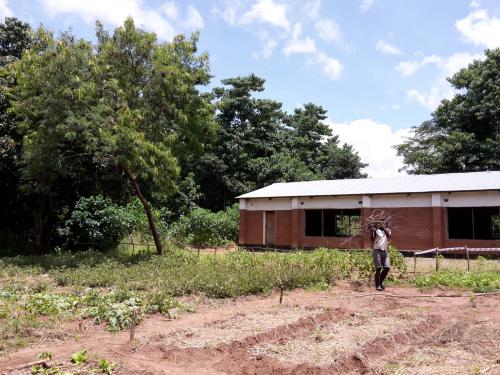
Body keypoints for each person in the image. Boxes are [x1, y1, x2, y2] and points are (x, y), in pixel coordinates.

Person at [372, 224, 391, 291]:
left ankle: (380, 282)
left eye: (385, 224)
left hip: (384, 251)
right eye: (381, 224)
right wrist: (373, 231)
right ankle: (378, 286)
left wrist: (385, 229)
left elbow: (389, 236)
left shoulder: (388, 230)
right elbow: (372, 239)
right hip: (377, 251)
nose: (383, 225)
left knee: (387, 267)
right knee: (379, 267)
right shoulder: (377, 231)